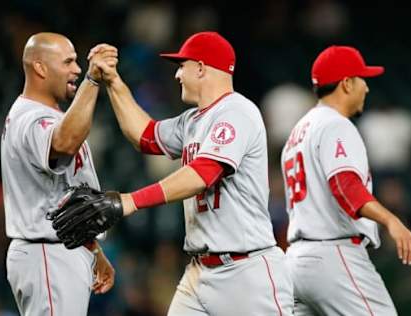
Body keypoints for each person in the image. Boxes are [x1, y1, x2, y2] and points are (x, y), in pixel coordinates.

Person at [89, 31, 294, 315]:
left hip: (246, 272)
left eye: (181, 66)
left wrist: (131, 200)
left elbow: (203, 174)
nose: (177, 75)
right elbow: (144, 136)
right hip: (200, 271)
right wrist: (113, 81)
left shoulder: (237, 111)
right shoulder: (193, 120)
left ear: (200, 67)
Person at [281, 45, 411, 315]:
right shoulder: (335, 124)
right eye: (362, 79)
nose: (366, 88)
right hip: (333, 256)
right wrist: (391, 220)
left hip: (296, 263)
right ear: (346, 83)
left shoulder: (297, 132)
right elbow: (345, 188)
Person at [1, 32, 117, 316]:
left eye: (78, 62)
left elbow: (65, 194)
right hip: (46, 253)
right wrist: (91, 82)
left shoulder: (47, 115)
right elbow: (65, 141)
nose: (77, 69)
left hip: (56, 252)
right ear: (40, 68)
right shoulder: (31, 117)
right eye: (68, 62)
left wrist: (93, 249)